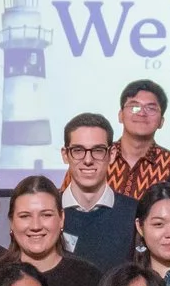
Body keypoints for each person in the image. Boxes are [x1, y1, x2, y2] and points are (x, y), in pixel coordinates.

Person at [4, 176, 102, 286]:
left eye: (46, 215)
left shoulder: (89, 278)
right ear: (11, 222)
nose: (36, 226)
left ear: (61, 219)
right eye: (25, 216)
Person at [57, 113, 138, 271]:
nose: (88, 160)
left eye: (98, 150)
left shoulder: (135, 212)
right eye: (78, 150)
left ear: (112, 154)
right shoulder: (47, 214)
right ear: (65, 155)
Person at [109, 79, 170, 201]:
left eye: (151, 108)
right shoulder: (97, 156)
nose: (142, 113)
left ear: (161, 122)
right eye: (134, 107)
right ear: (120, 115)